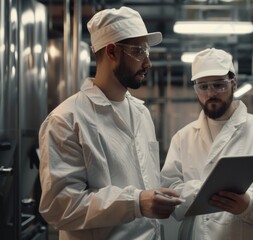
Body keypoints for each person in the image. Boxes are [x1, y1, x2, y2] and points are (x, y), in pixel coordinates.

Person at [38, 7, 182, 240]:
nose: (148, 63)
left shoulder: (141, 113)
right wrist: (135, 203)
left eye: (147, 52)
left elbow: (147, 183)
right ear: (112, 51)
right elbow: (58, 207)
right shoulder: (66, 119)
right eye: (139, 51)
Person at [161, 48, 253, 240]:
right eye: (203, 86)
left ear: (233, 83)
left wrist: (250, 204)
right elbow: (169, 193)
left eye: (219, 85)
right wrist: (201, 192)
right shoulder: (183, 138)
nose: (211, 93)